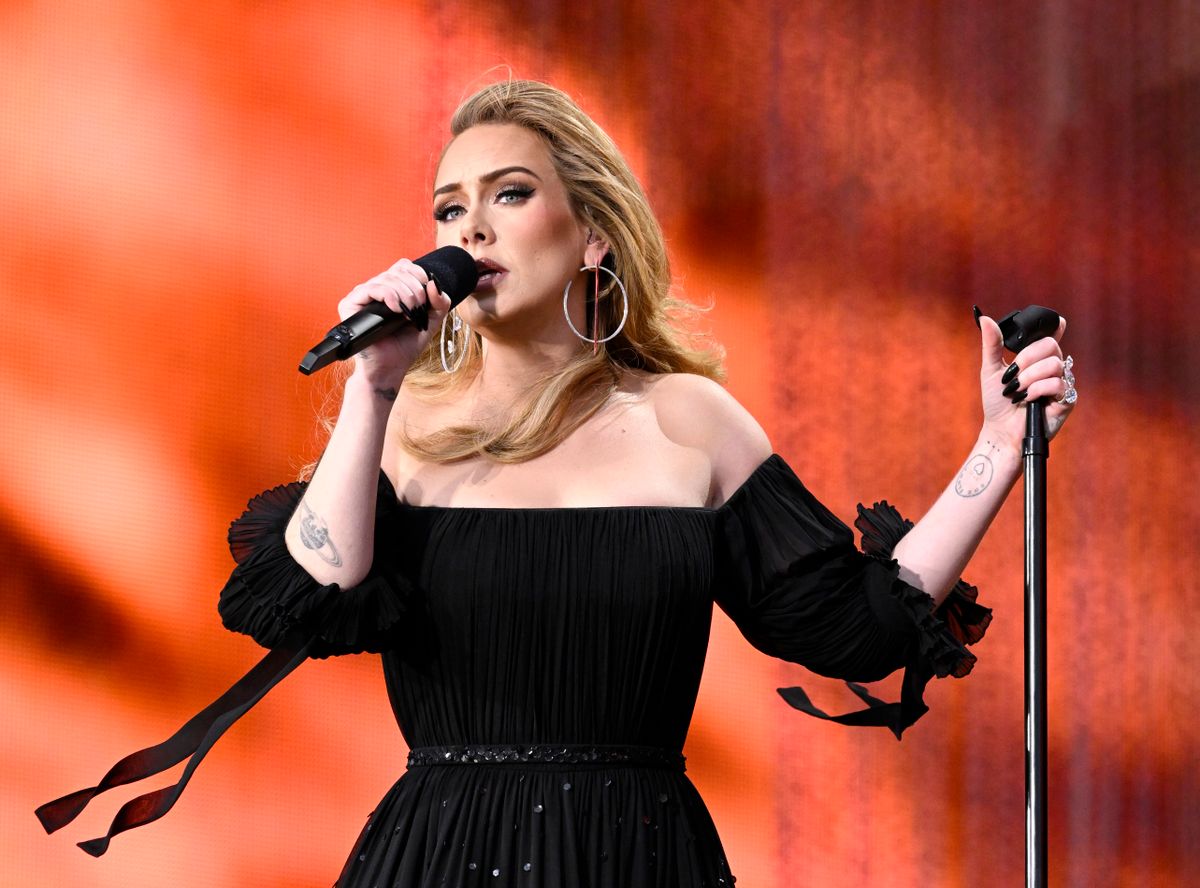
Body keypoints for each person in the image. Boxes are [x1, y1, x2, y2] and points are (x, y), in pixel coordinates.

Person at [38, 79, 1076, 886]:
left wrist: (996, 443)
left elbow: (852, 627)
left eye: (509, 194)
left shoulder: (688, 422)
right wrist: (374, 386)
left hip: (638, 854)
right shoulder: (409, 432)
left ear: (591, 235)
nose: (470, 228)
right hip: (440, 856)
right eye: (451, 206)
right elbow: (315, 593)